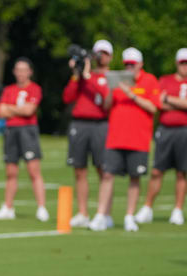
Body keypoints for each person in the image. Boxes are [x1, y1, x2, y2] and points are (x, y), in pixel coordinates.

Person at [89, 47, 159, 232]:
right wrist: (112, 90)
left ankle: (129, 216)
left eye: (132, 65)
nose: (129, 68)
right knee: (107, 175)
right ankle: (101, 215)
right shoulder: (117, 80)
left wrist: (132, 94)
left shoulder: (149, 80)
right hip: (116, 137)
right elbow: (106, 105)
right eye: (127, 64)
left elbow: (153, 107)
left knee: (135, 178)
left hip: (139, 139)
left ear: (140, 65)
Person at [63, 40, 113, 228]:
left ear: (110, 57)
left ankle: (105, 213)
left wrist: (87, 76)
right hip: (80, 124)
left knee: (103, 170)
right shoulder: (84, 76)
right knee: (79, 169)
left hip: (100, 124)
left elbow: (107, 98)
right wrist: (77, 75)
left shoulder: (110, 76)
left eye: (104, 54)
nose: (100, 57)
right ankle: (83, 212)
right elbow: (68, 97)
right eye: (97, 53)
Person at [134, 48, 187, 226]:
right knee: (157, 171)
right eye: (182, 63)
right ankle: (147, 207)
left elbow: (167, 102)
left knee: (182, 172)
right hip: (165, 130)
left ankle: (178, 210)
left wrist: (170, 100)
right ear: (177, 63)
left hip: (184, 130)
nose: (185, 66)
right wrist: (180, 104)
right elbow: (158, 103)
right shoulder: (164, 80)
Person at [0, 57, 49, 221]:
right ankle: (8, 207)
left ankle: (41, 207)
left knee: (33, 170)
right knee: (10, 171)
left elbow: (29, 110)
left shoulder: (34, 88)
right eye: (18, 70)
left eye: (24, 70)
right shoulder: (9, 89)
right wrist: (18, 109)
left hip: (27, 131)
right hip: (11, 131)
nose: (21, 73)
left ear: (30, 72)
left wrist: (12, 109)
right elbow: (1, 111)